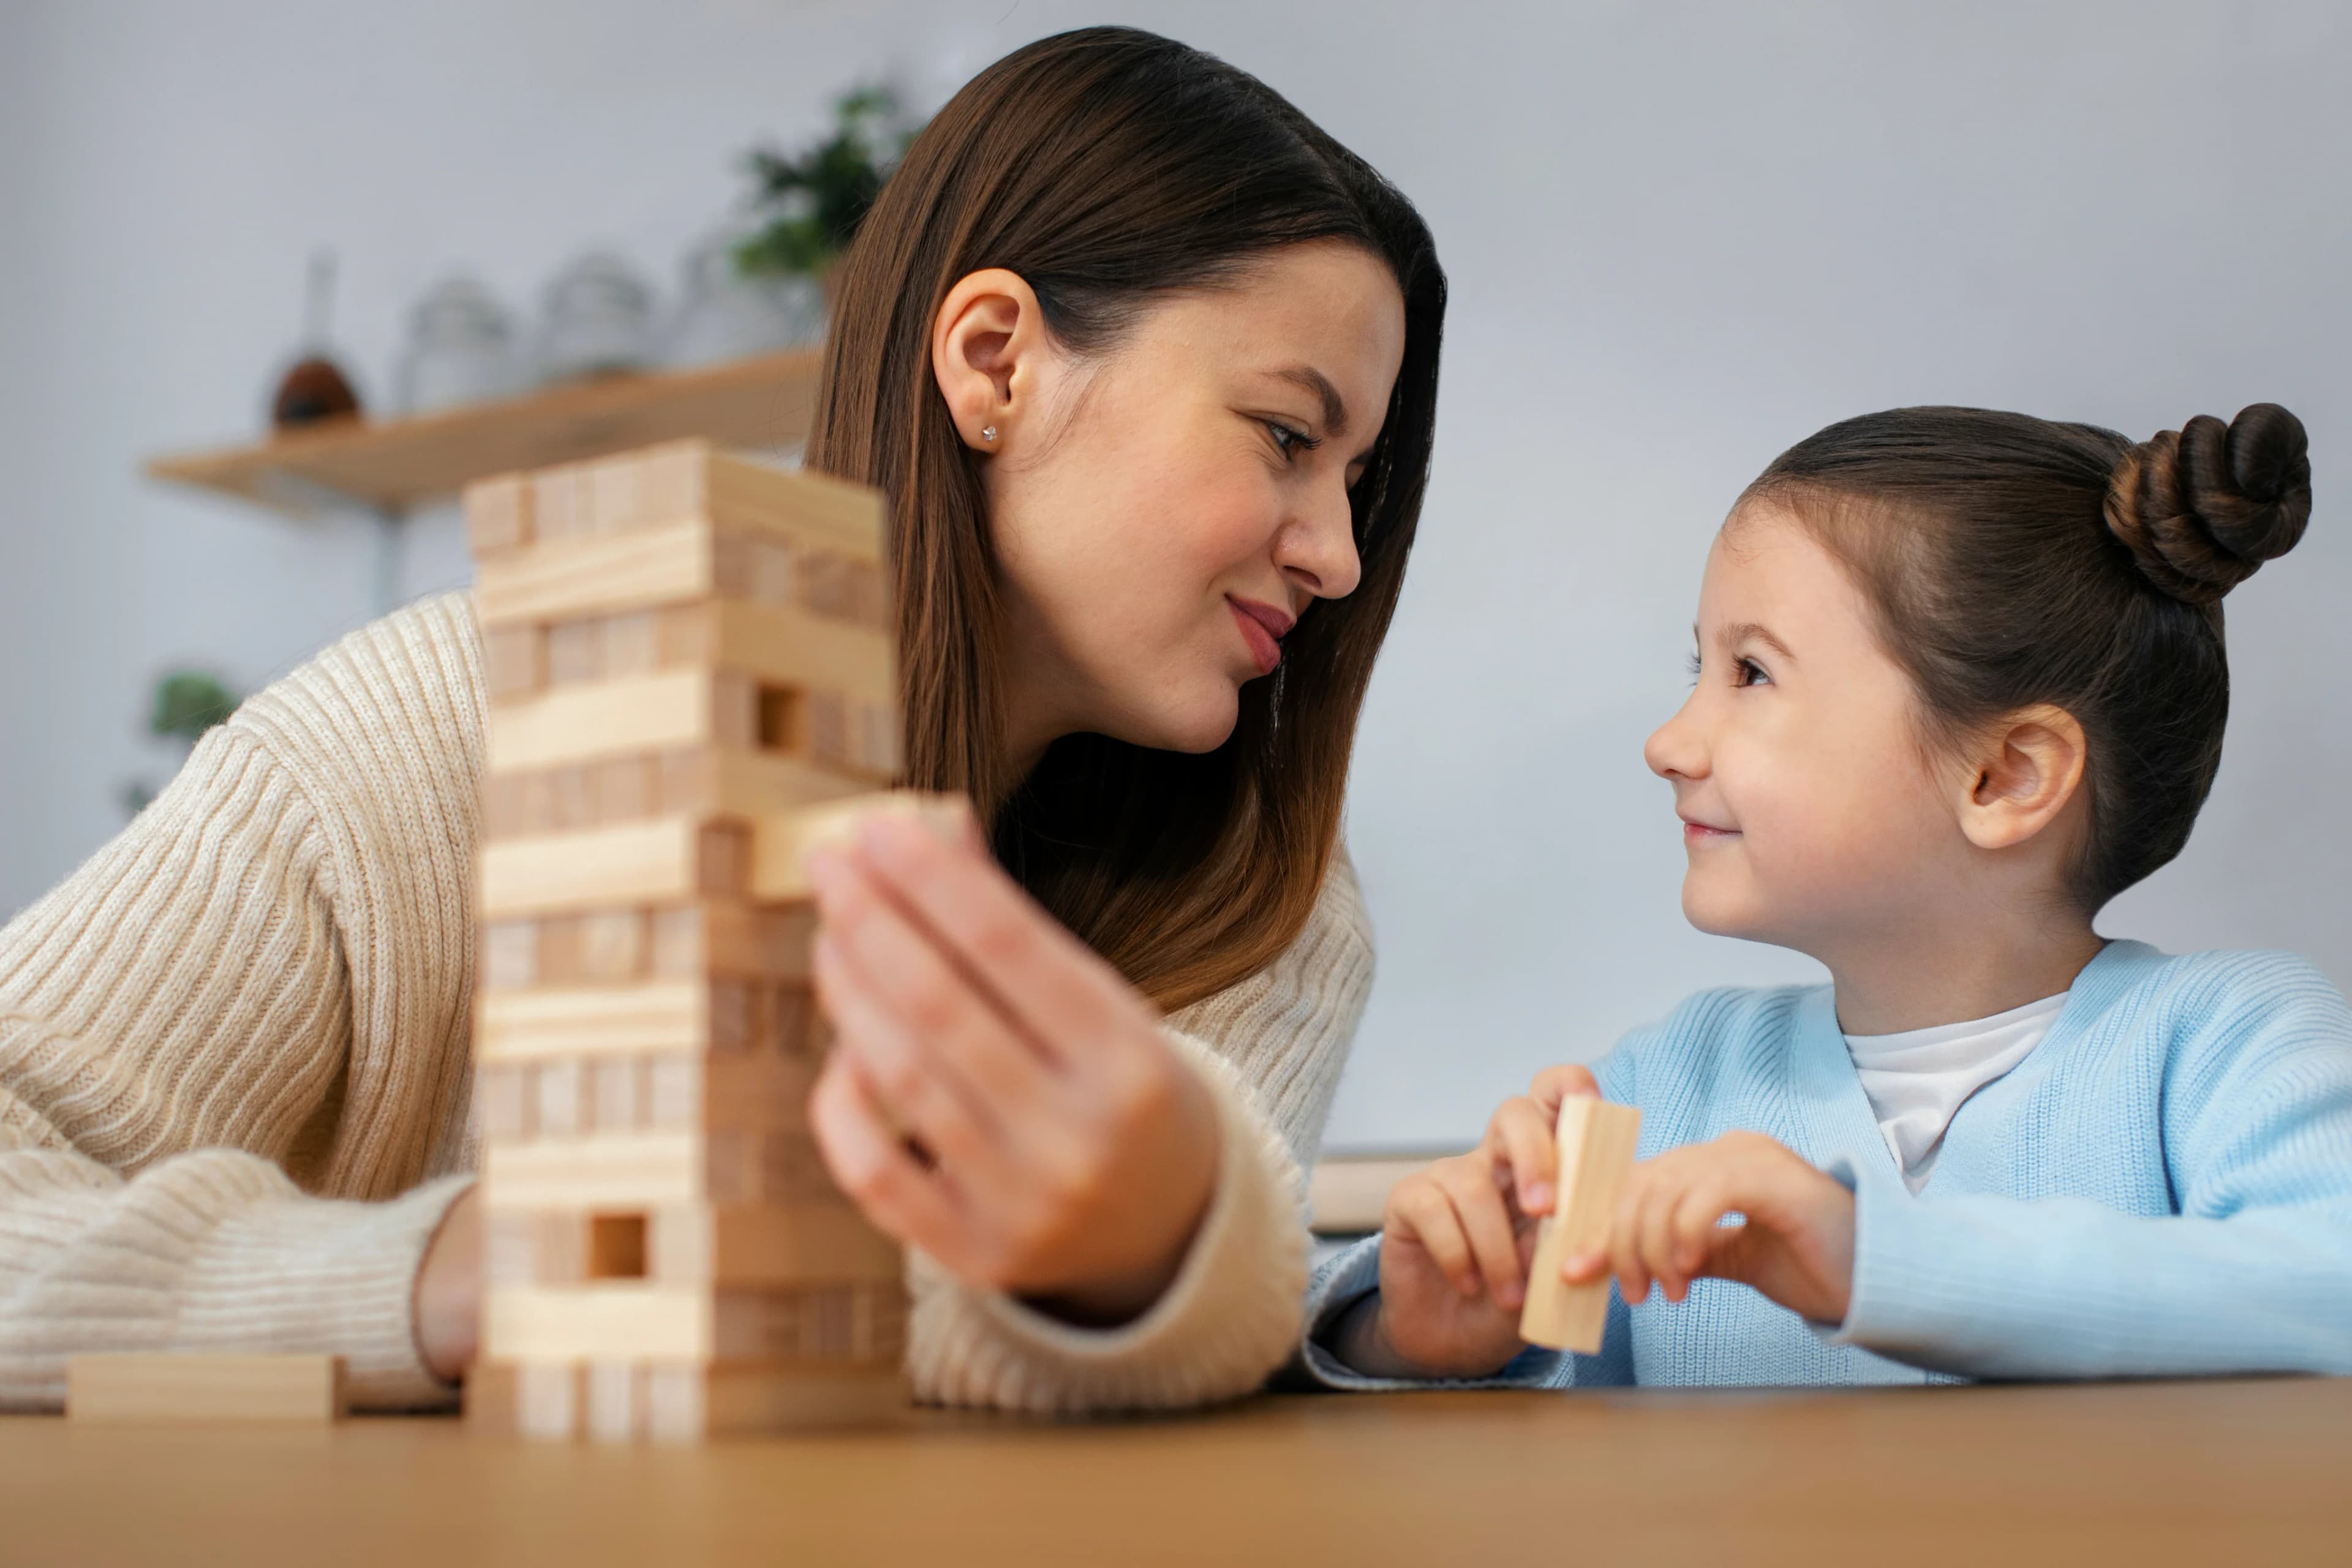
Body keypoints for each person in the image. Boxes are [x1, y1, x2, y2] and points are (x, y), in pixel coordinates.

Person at [0, 26, 1444, 1413]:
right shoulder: (452, 728)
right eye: (1285, 435)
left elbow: (1058, 1353)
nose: (1338, 554)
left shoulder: (1274, 905)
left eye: (1359, 482)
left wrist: (1161, 1240)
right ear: (995, 360)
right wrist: (440, 1274)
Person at [1306, 402, 2352, 1389]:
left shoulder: (2227, 1045)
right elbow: (1557, 1435)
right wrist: (1421, 1336)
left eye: (1751, 675)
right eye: (1699, 668)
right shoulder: (1663, 1086)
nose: (1668, 744)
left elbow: (2328, 1293)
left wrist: (1873, 1261)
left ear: (2007, 777)